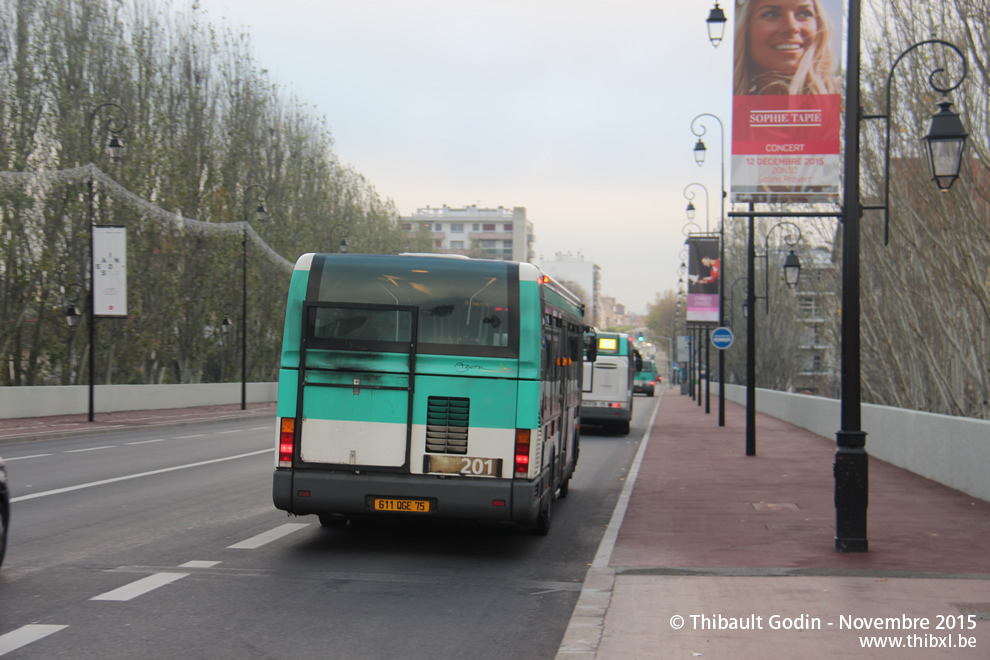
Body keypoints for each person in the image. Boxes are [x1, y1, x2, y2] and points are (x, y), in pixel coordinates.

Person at [733, 0, 842, 96]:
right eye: (771, 14)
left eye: (804, 13)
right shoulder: (724, 104)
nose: (791, 26)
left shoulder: (844, 99)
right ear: (746, 29)